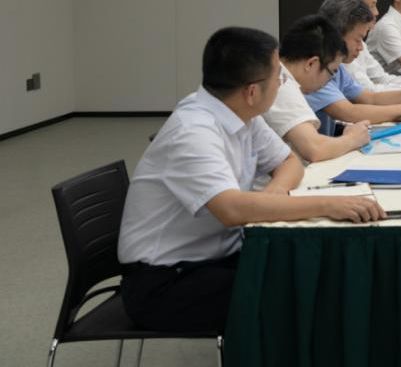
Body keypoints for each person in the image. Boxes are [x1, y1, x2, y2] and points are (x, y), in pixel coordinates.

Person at [117, 27, 385, 333]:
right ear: (252, 92)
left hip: (219, 255)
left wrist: (272, 195)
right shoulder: (193, 131)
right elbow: (231, 210)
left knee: (313, 270)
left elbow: (289, 162)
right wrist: (327, 205)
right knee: (301, 294)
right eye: (278, 77)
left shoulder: (240, 112)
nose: (283, 83)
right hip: (166, 281)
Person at [310, 0, 401, 133]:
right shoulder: (315, 69)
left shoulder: (338, 68)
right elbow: (350, 112)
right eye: (358, 39)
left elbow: (370, 98)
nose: (360, 47)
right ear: (337, 35)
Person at [263, 14, 372, 162]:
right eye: (331, 73)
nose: (329, 82)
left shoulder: (280, 75)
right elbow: (315, 150)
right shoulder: (282, 85)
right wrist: (353, 138)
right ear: (311, 64)